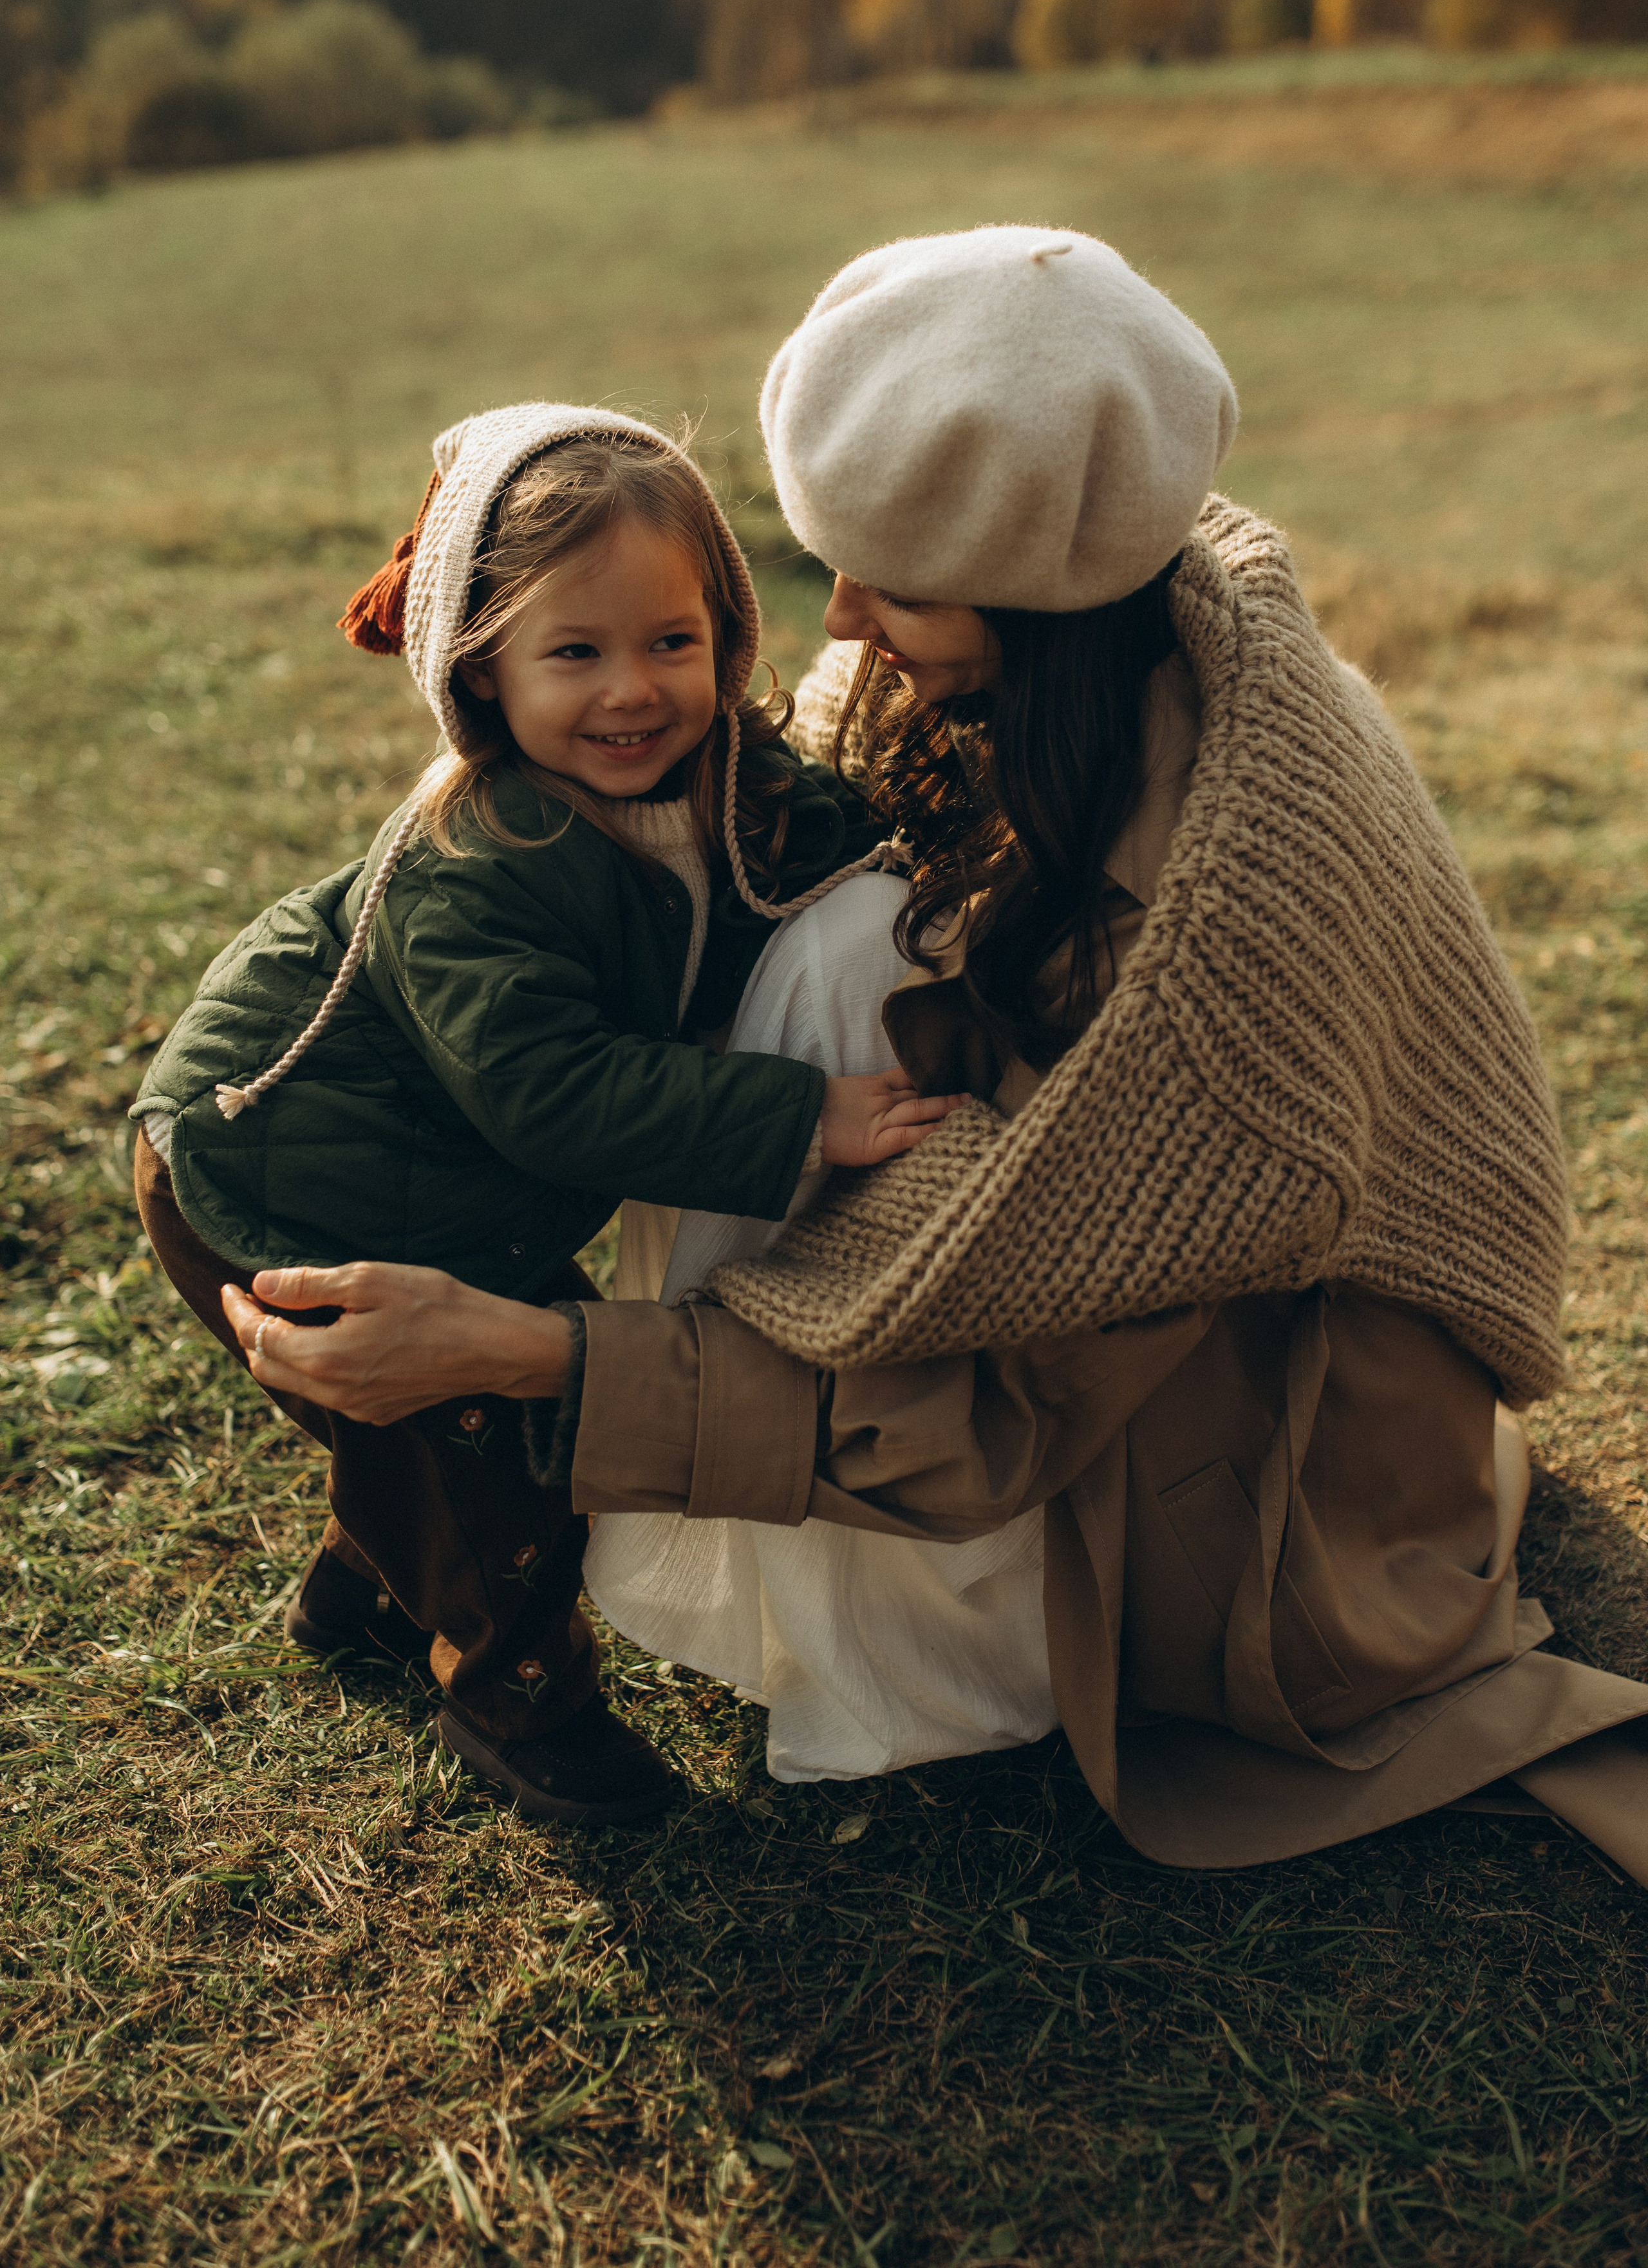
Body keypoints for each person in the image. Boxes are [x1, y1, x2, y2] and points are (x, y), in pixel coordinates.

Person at [218, 230, 1648, 1880]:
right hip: (1147, 1351)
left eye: (889, 580)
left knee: (836, 951)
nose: (836, 619)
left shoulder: (1223, 936)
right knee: (820, 931)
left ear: (1028, 584)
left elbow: (994, 1405)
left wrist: (533, 1355)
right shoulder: (1108, 643)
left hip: (1247, 1520)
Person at [131, 401, 965, 1824]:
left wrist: (936, 853)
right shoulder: (478, 863)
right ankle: (523, 1708)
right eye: (572, 652)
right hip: (283, 1185)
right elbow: (548, 1092)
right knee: (495, 1472)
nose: (631, 690)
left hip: (437, 1189)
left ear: (725, 637)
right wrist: (798, 1116)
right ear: (481, 672)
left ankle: (360, 1588)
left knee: (424, 1443)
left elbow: (819, 832)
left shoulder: (719, 774)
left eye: (670, 642)